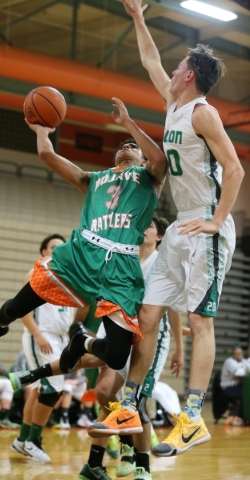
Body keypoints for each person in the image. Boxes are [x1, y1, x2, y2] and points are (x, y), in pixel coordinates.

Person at [90, 0, 245, 457]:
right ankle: (131, 405)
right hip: (180, 226)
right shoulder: (175, 104)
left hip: (206, 226)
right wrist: (138, 18)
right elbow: (150, 59)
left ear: (190, 75)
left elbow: (235, 170)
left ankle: (193, 418)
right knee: (149, 315)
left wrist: (217, 222)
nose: (172, 68)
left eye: (180, 65)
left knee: (200, 320)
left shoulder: (203, 113)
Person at [0, 98, 167, 411]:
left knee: (117, 355)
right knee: (18, 305)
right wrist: (43, 130)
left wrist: (128, 125)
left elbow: (161, 161)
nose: (127, 145)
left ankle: (81, 342)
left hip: (122, 266)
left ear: (140, 157)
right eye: (122, 144)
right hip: (82, 253)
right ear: (114, 158)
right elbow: (47, 154)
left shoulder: (149, 179)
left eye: (133, 145)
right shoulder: (94, 179)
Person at [10, 215, 184, 480]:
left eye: (149, 226)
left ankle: (139, 464)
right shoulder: (124, 257)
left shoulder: (163, 264)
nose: (143, 229)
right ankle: (99, 461)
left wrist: (179, 347)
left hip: (151, 337)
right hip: (119, 327)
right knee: (104, 392)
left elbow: (173, 311)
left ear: (160, 236)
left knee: (135, 400)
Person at [11, 233, 75, 462]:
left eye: (62, 247)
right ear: (44, 252)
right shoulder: (36, 272)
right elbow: (19, 308)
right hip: (41, 336)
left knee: (40, 389)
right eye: (53, 247)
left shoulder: (68, 277)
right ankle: (33, 441)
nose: (58, 250)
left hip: (58, 339)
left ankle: (22, 439)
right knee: (53, 390)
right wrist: (37, 334)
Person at [220, 345, 249, 426]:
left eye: (240, 353)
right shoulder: (229, 361)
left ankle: (242, 417)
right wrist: (245, 370)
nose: (238, 355)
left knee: (246, 392)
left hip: (239, 387)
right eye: (236, 354)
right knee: (246, 394)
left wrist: (246, 370)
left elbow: (247, 370)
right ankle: (232, 416)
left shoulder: (244, 361)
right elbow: (238, 373)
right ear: (233, 355)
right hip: (229, 388)